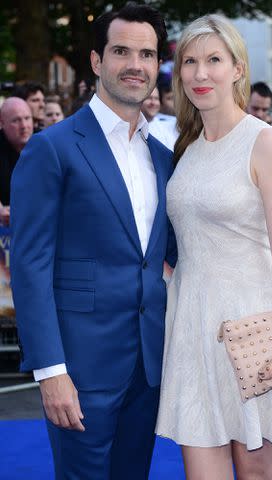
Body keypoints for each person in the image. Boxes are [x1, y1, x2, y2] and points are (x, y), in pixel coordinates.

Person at [155, 14, 272, 480]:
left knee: (255, 475)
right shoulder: (186, 147)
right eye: (189, 61)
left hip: (254, 328)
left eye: (214, 59)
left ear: (237, 68)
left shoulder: (264, 142)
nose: (200, 73)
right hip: (192, 327)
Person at [10, 3, 176, 480]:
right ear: (97, 61)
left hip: (148, 367)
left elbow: (174, 256)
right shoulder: (52, 148)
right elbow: (30, 266)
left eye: (146, 54)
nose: (135, 65)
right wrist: (50, 371)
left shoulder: (163, 157)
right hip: (79, 370)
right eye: (121, 50)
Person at [0, 97, 33, 225]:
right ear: (2, 123)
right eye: (16, 121)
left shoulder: (45, 141)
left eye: (27, 118)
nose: (24, 126)